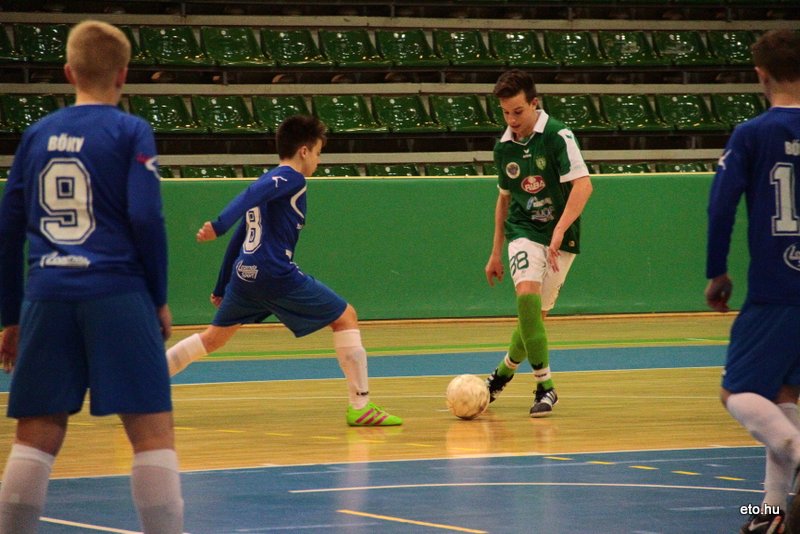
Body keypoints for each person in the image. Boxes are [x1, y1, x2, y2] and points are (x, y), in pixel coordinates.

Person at [0, 20, 183, 534]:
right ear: (123, 74)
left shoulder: (36, 135)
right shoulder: (130, 131)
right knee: (151, 435)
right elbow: (146, 217)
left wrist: (11, 316)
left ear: (68, 72)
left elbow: (7, 230)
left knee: (35, 436)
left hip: (47, 294)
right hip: (117, 290)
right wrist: (158, 297)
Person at [165, 114, 402, 427]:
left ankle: (142, 384)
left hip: (245, 274)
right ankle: (361, 406)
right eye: (317, 153)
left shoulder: (271, 184)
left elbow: (242, 236)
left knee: (212, 339)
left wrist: (222, 285)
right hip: (274, 272)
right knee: (346, 317)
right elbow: (247, 199)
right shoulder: (291, 179)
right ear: (304, 151)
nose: (318, 161)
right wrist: (219, 225)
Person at [705, 29, 800, 534]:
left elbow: (721, 206)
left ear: (761, 75)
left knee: (736, 392)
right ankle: (771, 512)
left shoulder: (752, 134)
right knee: (783, 396)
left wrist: (716, 271)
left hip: (775, 288)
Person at [483, 69, 593, 417]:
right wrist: (495, 252)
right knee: (526, 296)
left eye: (518, 111)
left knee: (534, 318)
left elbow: (584, 186)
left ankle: (500, 376)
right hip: (523, 229)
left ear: (535, 103)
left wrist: (560, 230)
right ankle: (546, 385)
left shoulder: (558, 135)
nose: (512, 120)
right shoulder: (504, 148)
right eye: (505, 113)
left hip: (561, 235)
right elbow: (503, 200)